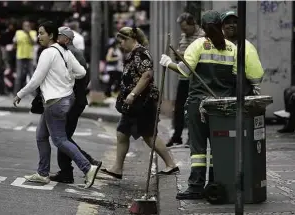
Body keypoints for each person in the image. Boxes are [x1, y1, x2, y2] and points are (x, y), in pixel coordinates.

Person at [159, 10, 257, 200]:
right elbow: (237, 78)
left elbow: (185, 72)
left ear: (202, 27)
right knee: (218, 147)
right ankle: (215, 183)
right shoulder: (231, 47)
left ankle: (196, 187)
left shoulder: (198, 45)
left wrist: (169, 63)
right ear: (220, 26)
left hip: (199, 105)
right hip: (222, 105)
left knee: (198, 149)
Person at [13, 21, 100, 188]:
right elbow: (82, 72)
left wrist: (20, 94)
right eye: (38, 33)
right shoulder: (65, 52)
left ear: (51, 35)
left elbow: (36, 79)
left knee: (59, 139)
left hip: (55, 101)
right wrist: (67, 80)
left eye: (41, 33)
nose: (38, 37)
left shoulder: (48, 53)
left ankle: (88, 167)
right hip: (63, 99)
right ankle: (42, 173)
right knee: (41, 136)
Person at [100, 26, 179, 180]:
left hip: (142, 102)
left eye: (122, 41)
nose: (121, 44)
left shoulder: (141, 53)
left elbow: (147, 75)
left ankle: (171, 164)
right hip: (134, 103)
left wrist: (133, 94)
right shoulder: (133, 54)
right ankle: (117, 168)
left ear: (131, 39)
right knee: (122, 133)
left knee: (149, 135)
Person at [49, 26, 102, 184]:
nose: (56, 39)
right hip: (76, 100)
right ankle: (66, 172)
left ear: (66, 39)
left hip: (70, 102)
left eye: (59, 36)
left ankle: (88, 162)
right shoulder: (74, 52)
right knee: (63, 137)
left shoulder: (68, 53)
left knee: (61, 137)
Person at [167, 13, 205, 148]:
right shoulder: (184, 37)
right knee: (178, 108)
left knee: (192, 109)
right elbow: (181, 53)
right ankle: (177, 136)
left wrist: (183, 55)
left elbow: (199, 57)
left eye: (185, 28)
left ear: (193, 24)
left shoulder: (202, 37)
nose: (183, 31)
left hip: (194, 78)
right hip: (182, 76)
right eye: (182, 29)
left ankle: (191, 137)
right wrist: (177, 55)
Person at [220, 10, 264, 96]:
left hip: (241, 95)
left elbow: (256, 76)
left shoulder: (247, 47)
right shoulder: (215, 46)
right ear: (222, 26)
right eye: (228, 22)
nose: (232, 25)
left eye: (235, 22)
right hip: (220, 95)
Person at [13, 20, 37, 94]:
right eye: (25, 25)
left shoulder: (33, 33)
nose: (26, 27)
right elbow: (14, 44)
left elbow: (33, 42)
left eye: (27, 25)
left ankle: (34, 94)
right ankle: (16, 93)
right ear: (22, 26)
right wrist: (15, 42)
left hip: (29, 56)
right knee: (19, 75)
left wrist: (28, 34)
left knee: (31, 75)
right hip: (20, 56)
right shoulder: (18, 33)